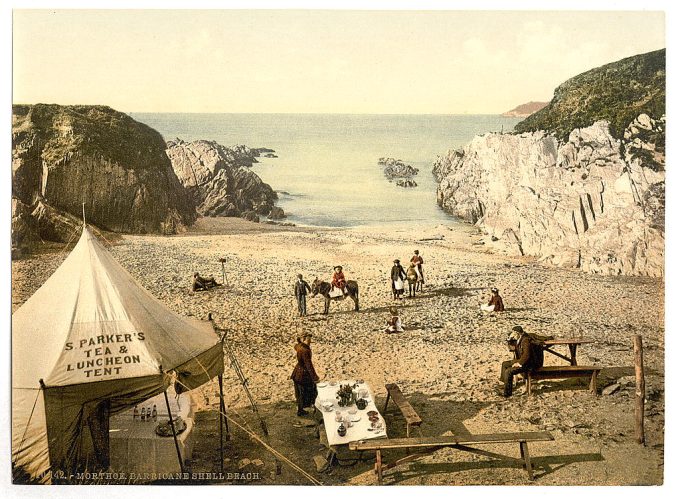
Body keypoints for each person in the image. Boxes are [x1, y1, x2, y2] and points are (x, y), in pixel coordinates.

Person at [500, 326, 544, 397]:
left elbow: (527, 355)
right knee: (505, 364)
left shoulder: (525, 340)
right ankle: (506, 384)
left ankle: (507, 394)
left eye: (514, 333)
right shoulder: (520, 338)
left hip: (528, 364)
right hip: (524, 361)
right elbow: (513, 349)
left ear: (518, 333)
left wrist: (519, 363)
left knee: (509, 371)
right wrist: (509, 341)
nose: (512, 335)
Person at [291, 333, 320, 416]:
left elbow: (295, 346)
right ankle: (310, 408)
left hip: (298, 373)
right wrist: (315, 377)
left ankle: (300, 410)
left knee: (299, 393)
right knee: (311, 391)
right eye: (308, 339)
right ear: (303, 339)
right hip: (303, 375)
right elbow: (308, 365)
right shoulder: (305, 350)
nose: (310, 341)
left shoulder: (300, 347)